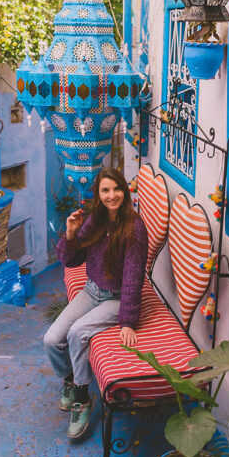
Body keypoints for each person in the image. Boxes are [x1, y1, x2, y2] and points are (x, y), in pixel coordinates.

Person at [43, 168, 148, 440]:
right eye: (105, 190)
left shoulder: (134, 227)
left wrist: (127, 321)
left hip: (116, 298)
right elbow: (71, 261)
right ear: (98, 195)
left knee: (78, 333)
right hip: (91, 291)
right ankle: (68, 378)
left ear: (124, 191)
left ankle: (82, 397)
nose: (112, 195)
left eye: (116, 189)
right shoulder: (94, 220)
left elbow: (133, 278)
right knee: (52, 338)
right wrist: (70, 234)